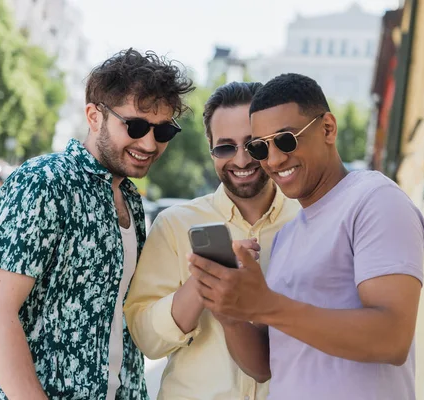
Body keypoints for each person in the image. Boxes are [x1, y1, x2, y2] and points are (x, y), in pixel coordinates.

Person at [189, 73, 424, 400]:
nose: (273, 159)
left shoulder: (375, 200)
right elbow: (266, 366)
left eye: (286, 140)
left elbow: (392, 339)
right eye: (261, 147)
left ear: (327, 128)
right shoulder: (289, 235)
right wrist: (230, 314)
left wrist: (267, 305)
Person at [0, 48, 194, 399]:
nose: (149, 143)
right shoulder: (45, 182)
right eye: (136, 125)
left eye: (163, 131)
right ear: (94, 116)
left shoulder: (129, 197)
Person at [124, 82, 300, 400]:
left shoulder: (310, 222)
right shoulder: (175, 224)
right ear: (210, 150)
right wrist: (204, 281)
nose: (242, 159)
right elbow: (147, 341)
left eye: (253, 143)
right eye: (225, 147)